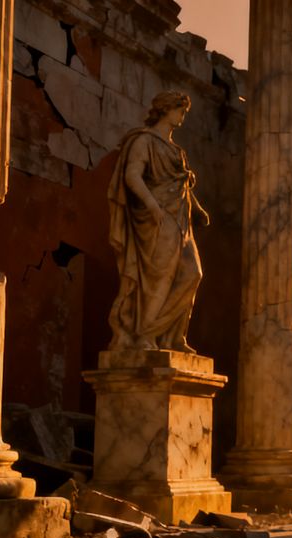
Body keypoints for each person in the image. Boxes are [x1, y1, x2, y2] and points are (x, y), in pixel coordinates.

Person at [107, 90, 209, 353]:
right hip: (157, 218)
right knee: (159, 278)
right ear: (166, 109)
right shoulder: (144, 141)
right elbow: (132, 176)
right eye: (180, 110)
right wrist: (152, 205)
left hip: (179, 219)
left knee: (191, 273)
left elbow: (181, 187)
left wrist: (198, 209)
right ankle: (144, 337)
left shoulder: (177, 151)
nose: (183, 116)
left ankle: (171, 336)